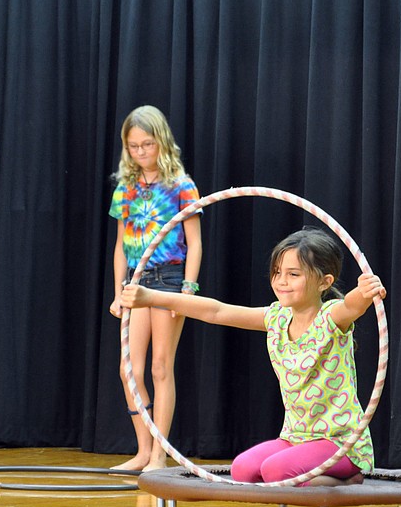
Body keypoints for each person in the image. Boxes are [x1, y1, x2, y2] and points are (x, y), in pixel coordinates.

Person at [120, 226, 385, 486]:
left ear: (324, 282)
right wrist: (152, 296)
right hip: (296, 437)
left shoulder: (331, 317)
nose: (281, 281)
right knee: (243, 469)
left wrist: (364, 291)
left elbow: (352, 305)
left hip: (340, 443)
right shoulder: (276, 318)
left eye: (293, 274)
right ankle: (314, 473)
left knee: (276, 472)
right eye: (277, 272)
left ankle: (347, 479)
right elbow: (217, 312)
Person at [108, 105, 203, 471]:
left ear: (161, 142)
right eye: (133, 146)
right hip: (136, 281)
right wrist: (119, 290)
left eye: (147, 144)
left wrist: (188, 291)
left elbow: (193, 242)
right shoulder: (126, 189)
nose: (141, 152)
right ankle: (143, 450)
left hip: (168, 280)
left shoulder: (181, 185)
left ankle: (159, 455)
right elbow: (121, 245)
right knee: (128, 369)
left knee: (161, 367)